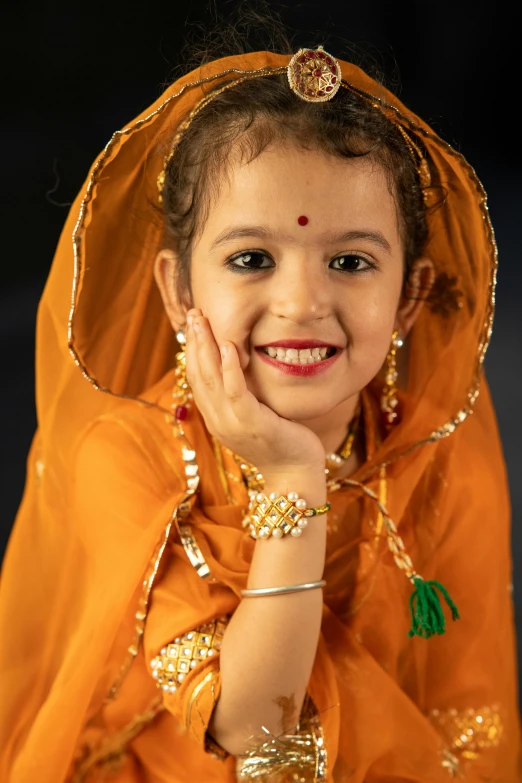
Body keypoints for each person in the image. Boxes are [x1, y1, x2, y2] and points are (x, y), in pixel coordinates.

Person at [0, 31, 520, 783]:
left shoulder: (435, 451)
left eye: (350, 261)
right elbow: (253, 728)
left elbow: (465, 720)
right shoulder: (129, 456)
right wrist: (292, 481)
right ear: (180, 292)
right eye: (252, 259)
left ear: (409, 296)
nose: (302, 301)